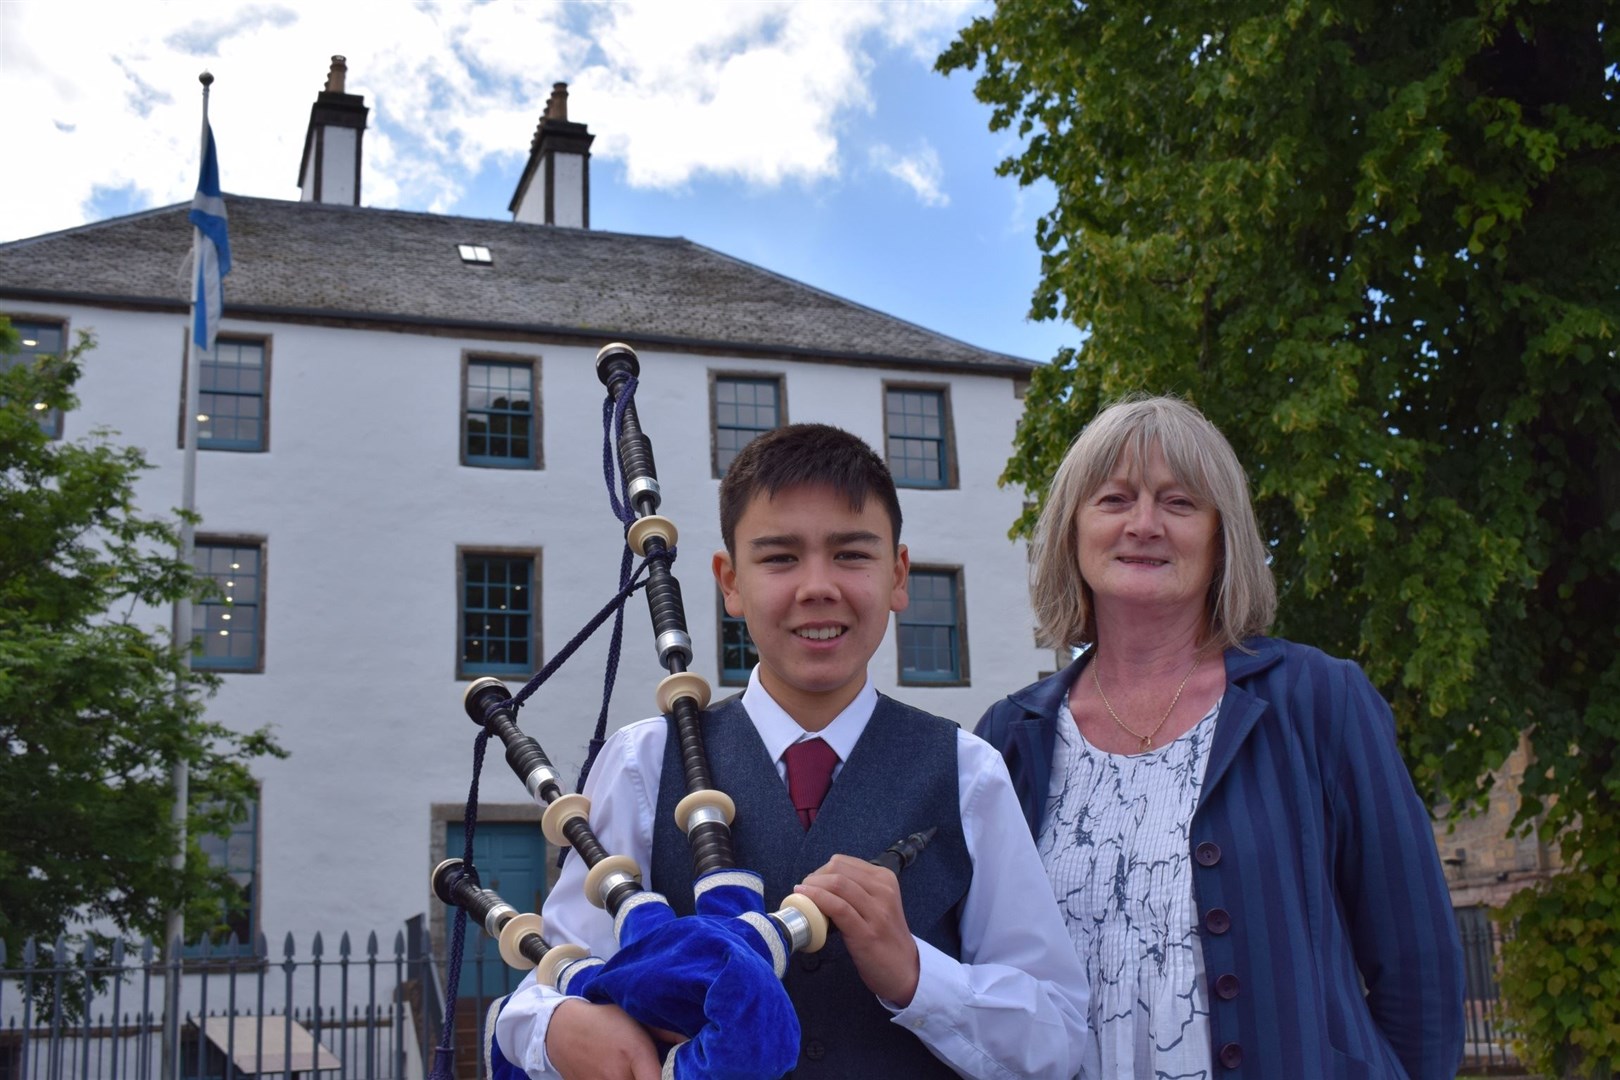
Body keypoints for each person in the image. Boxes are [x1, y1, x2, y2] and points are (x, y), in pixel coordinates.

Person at [494, 423, 1091, 1080]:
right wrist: (561, 1029)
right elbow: (545, 985)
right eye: (779, 557)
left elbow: (1059, 1037)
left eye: (851, 555)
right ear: (730, 581)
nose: (817, 587)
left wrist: (916, 976)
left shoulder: (969, 773)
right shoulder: (643, 764)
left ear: (898, 576)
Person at [975, 395, 1465, 1080]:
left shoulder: (1317, 700)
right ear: (1071, 531)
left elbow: (1419, 968)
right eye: (1114, 499)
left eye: (1179, 503)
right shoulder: (1009, 738)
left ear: (1220, 536)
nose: (1144, 525)